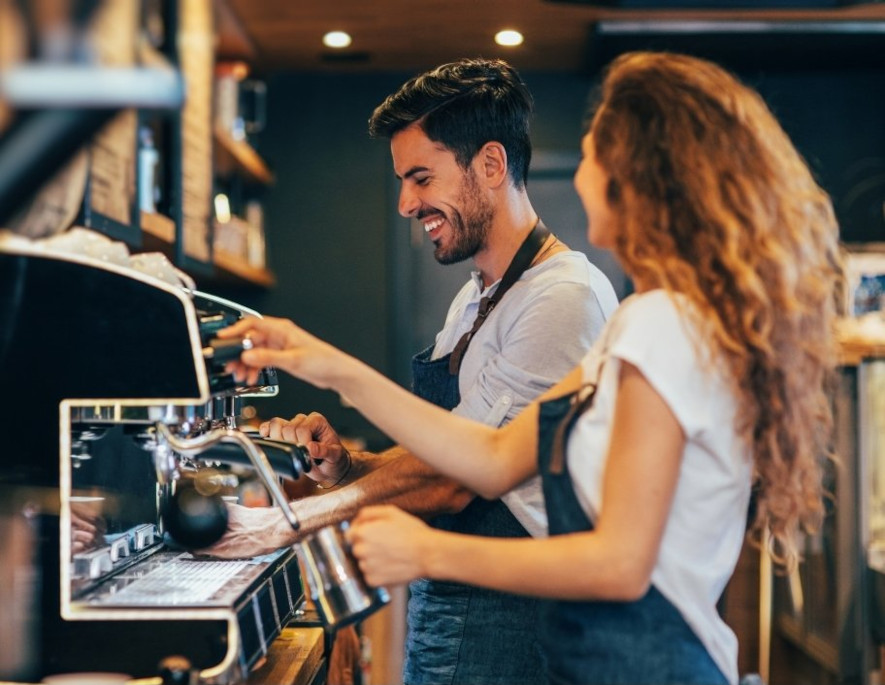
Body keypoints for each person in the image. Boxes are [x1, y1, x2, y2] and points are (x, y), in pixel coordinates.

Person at [217, 51, 843, 685]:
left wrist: (430, 549)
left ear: (642, 175)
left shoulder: (660, 326)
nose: (577, 175)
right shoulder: (638, 323)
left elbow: (621, 563)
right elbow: (489, 456)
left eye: (593, 154)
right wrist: (325, 367)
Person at [204, 57, 619, 685]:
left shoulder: (563, 297)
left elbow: (466, 480)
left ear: (490, 165)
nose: (405, 203)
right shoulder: (477, 296)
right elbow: (452, 451)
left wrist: (285, 523)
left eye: (421, 178)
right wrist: (347, 467)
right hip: (455, 605)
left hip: (514, 623)